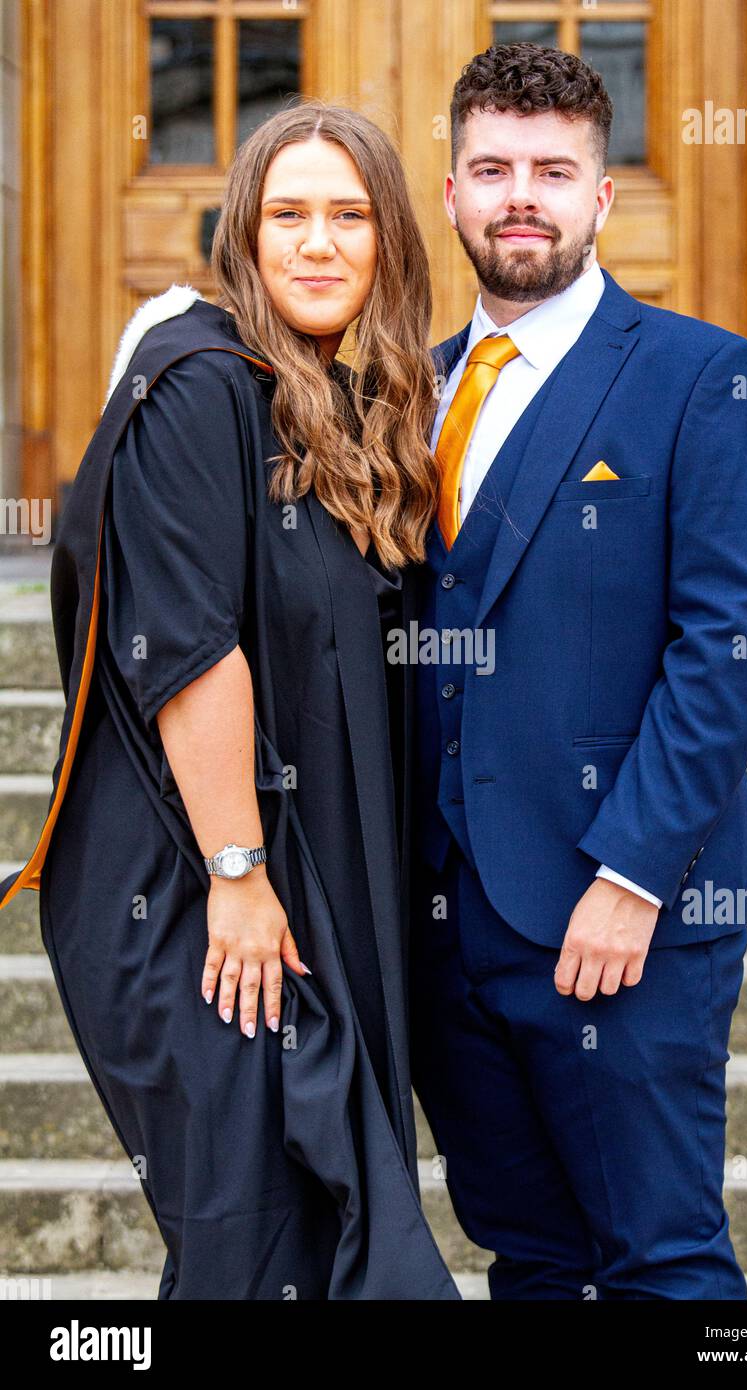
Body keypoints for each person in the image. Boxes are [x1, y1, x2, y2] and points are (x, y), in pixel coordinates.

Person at [0, 101, 460, 1301]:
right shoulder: (196, 387)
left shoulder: (330, 403)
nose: (318, 242)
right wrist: (240, 876)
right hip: (205, 898)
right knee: (268, 1241)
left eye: (349, 216)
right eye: (287, 215)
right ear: (243, 240)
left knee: (301, 1246)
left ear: (390, 244)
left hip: (301, 889)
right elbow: (193, 653)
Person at [410, 43, 747, 1300]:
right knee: (530, 1261)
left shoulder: (705, 378)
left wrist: (634, 873)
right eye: (492, 168)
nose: (520, 193)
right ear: (455, 187)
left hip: (622, 919)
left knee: (663, 1262)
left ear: (601, 197)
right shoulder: (408, 391)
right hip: (448, 925)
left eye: (552, 170)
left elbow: (729, 649)